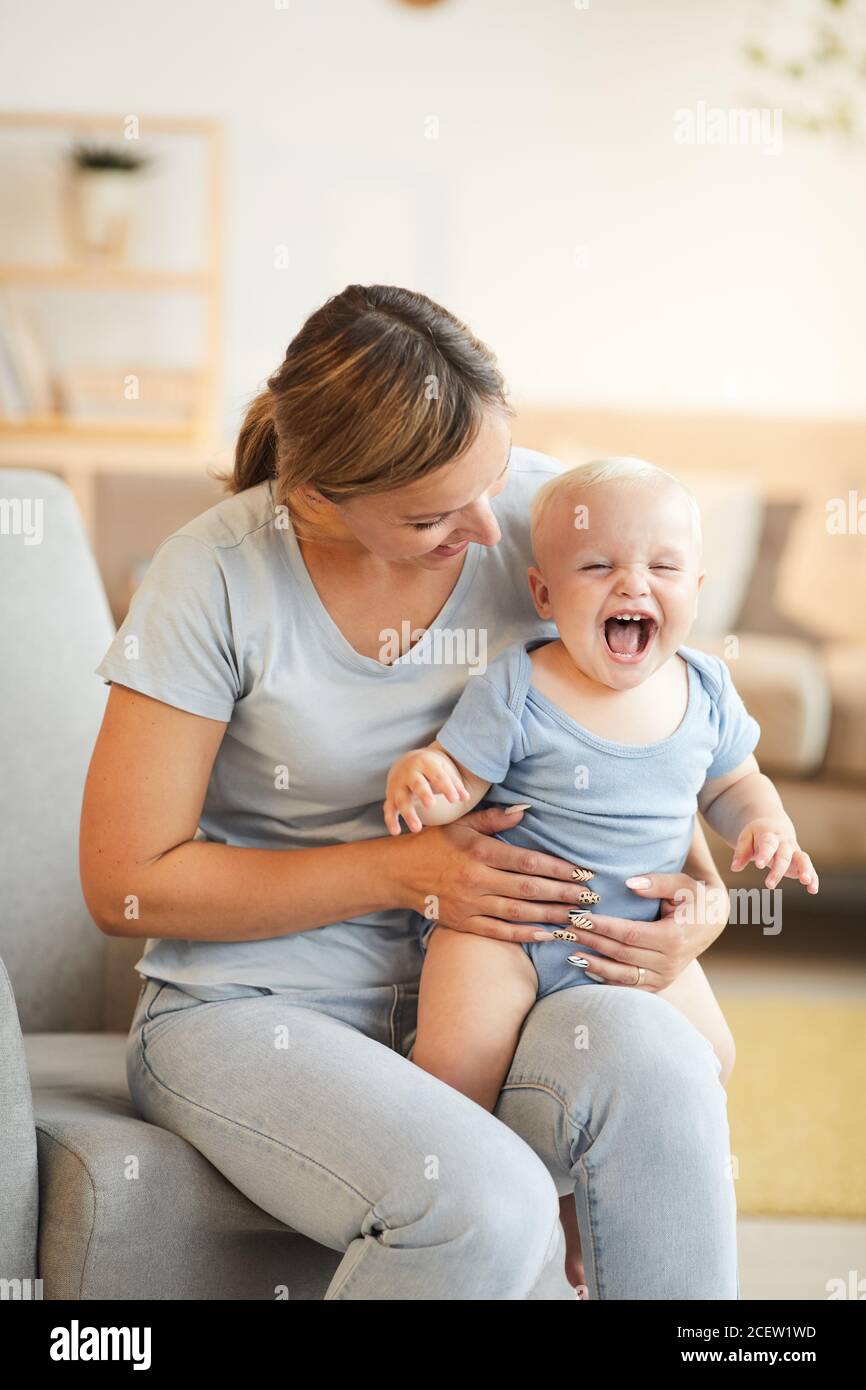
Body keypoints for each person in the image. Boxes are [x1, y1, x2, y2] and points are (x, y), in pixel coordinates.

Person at [81, 284, 738, 1299]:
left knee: (657, 1056)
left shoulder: (547, 520)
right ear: (315, 499)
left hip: (516, 983)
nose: (487, 525)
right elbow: (124, 884)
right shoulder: (211, 576)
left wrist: (700, 903)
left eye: (492, 473)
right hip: (254, 1008)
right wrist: (405, 873)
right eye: (432, 513)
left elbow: (656, 745)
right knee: (479, 1199)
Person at [384, 455, 819, 1285]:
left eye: (661, 567)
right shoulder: (518, 684)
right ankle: (493, 1207)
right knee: (456, 1068)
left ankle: (590, 1204)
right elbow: (459, 780)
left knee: (710, 1058)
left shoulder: (708, 690)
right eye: (597, 566)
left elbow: (733, 783)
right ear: (545, 596)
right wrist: (424, 783)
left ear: (696, 583)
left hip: (634, 942)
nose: (633, 585)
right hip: (507, 931)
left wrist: (764, 825)